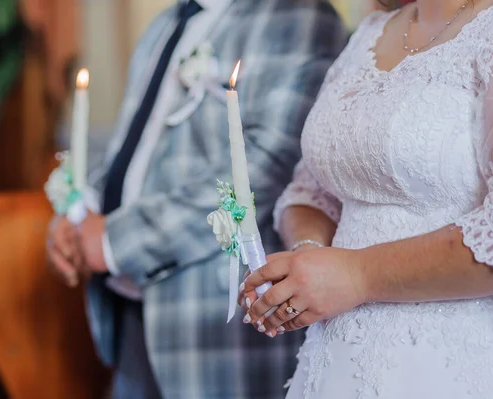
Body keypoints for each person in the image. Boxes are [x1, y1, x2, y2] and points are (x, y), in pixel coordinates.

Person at [46, 0, 346, 397]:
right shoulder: (165, 24)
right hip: (127, 308)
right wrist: (80, 213)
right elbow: (133, 150)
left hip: (213, 327)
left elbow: (269, 163)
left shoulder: (297, 17)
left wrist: (113, 240)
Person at [239, 0, 493, 398]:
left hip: (445, 364)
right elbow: (311, 189)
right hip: (332, 358)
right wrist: (306, 262)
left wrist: (355, 275)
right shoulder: (369, 33)